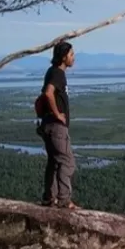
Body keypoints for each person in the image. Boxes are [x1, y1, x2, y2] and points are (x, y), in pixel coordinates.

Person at [39, 41, 79, 209]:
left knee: (54, 162)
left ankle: (50, 198)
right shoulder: (58, 74)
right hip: (56, 127)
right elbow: (48, 93)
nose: (73, 58)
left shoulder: (52, 71)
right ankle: (63, 200)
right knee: (67, 162)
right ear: (63, 57)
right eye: (71, 55)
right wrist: (58, 115)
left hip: (48, 125)